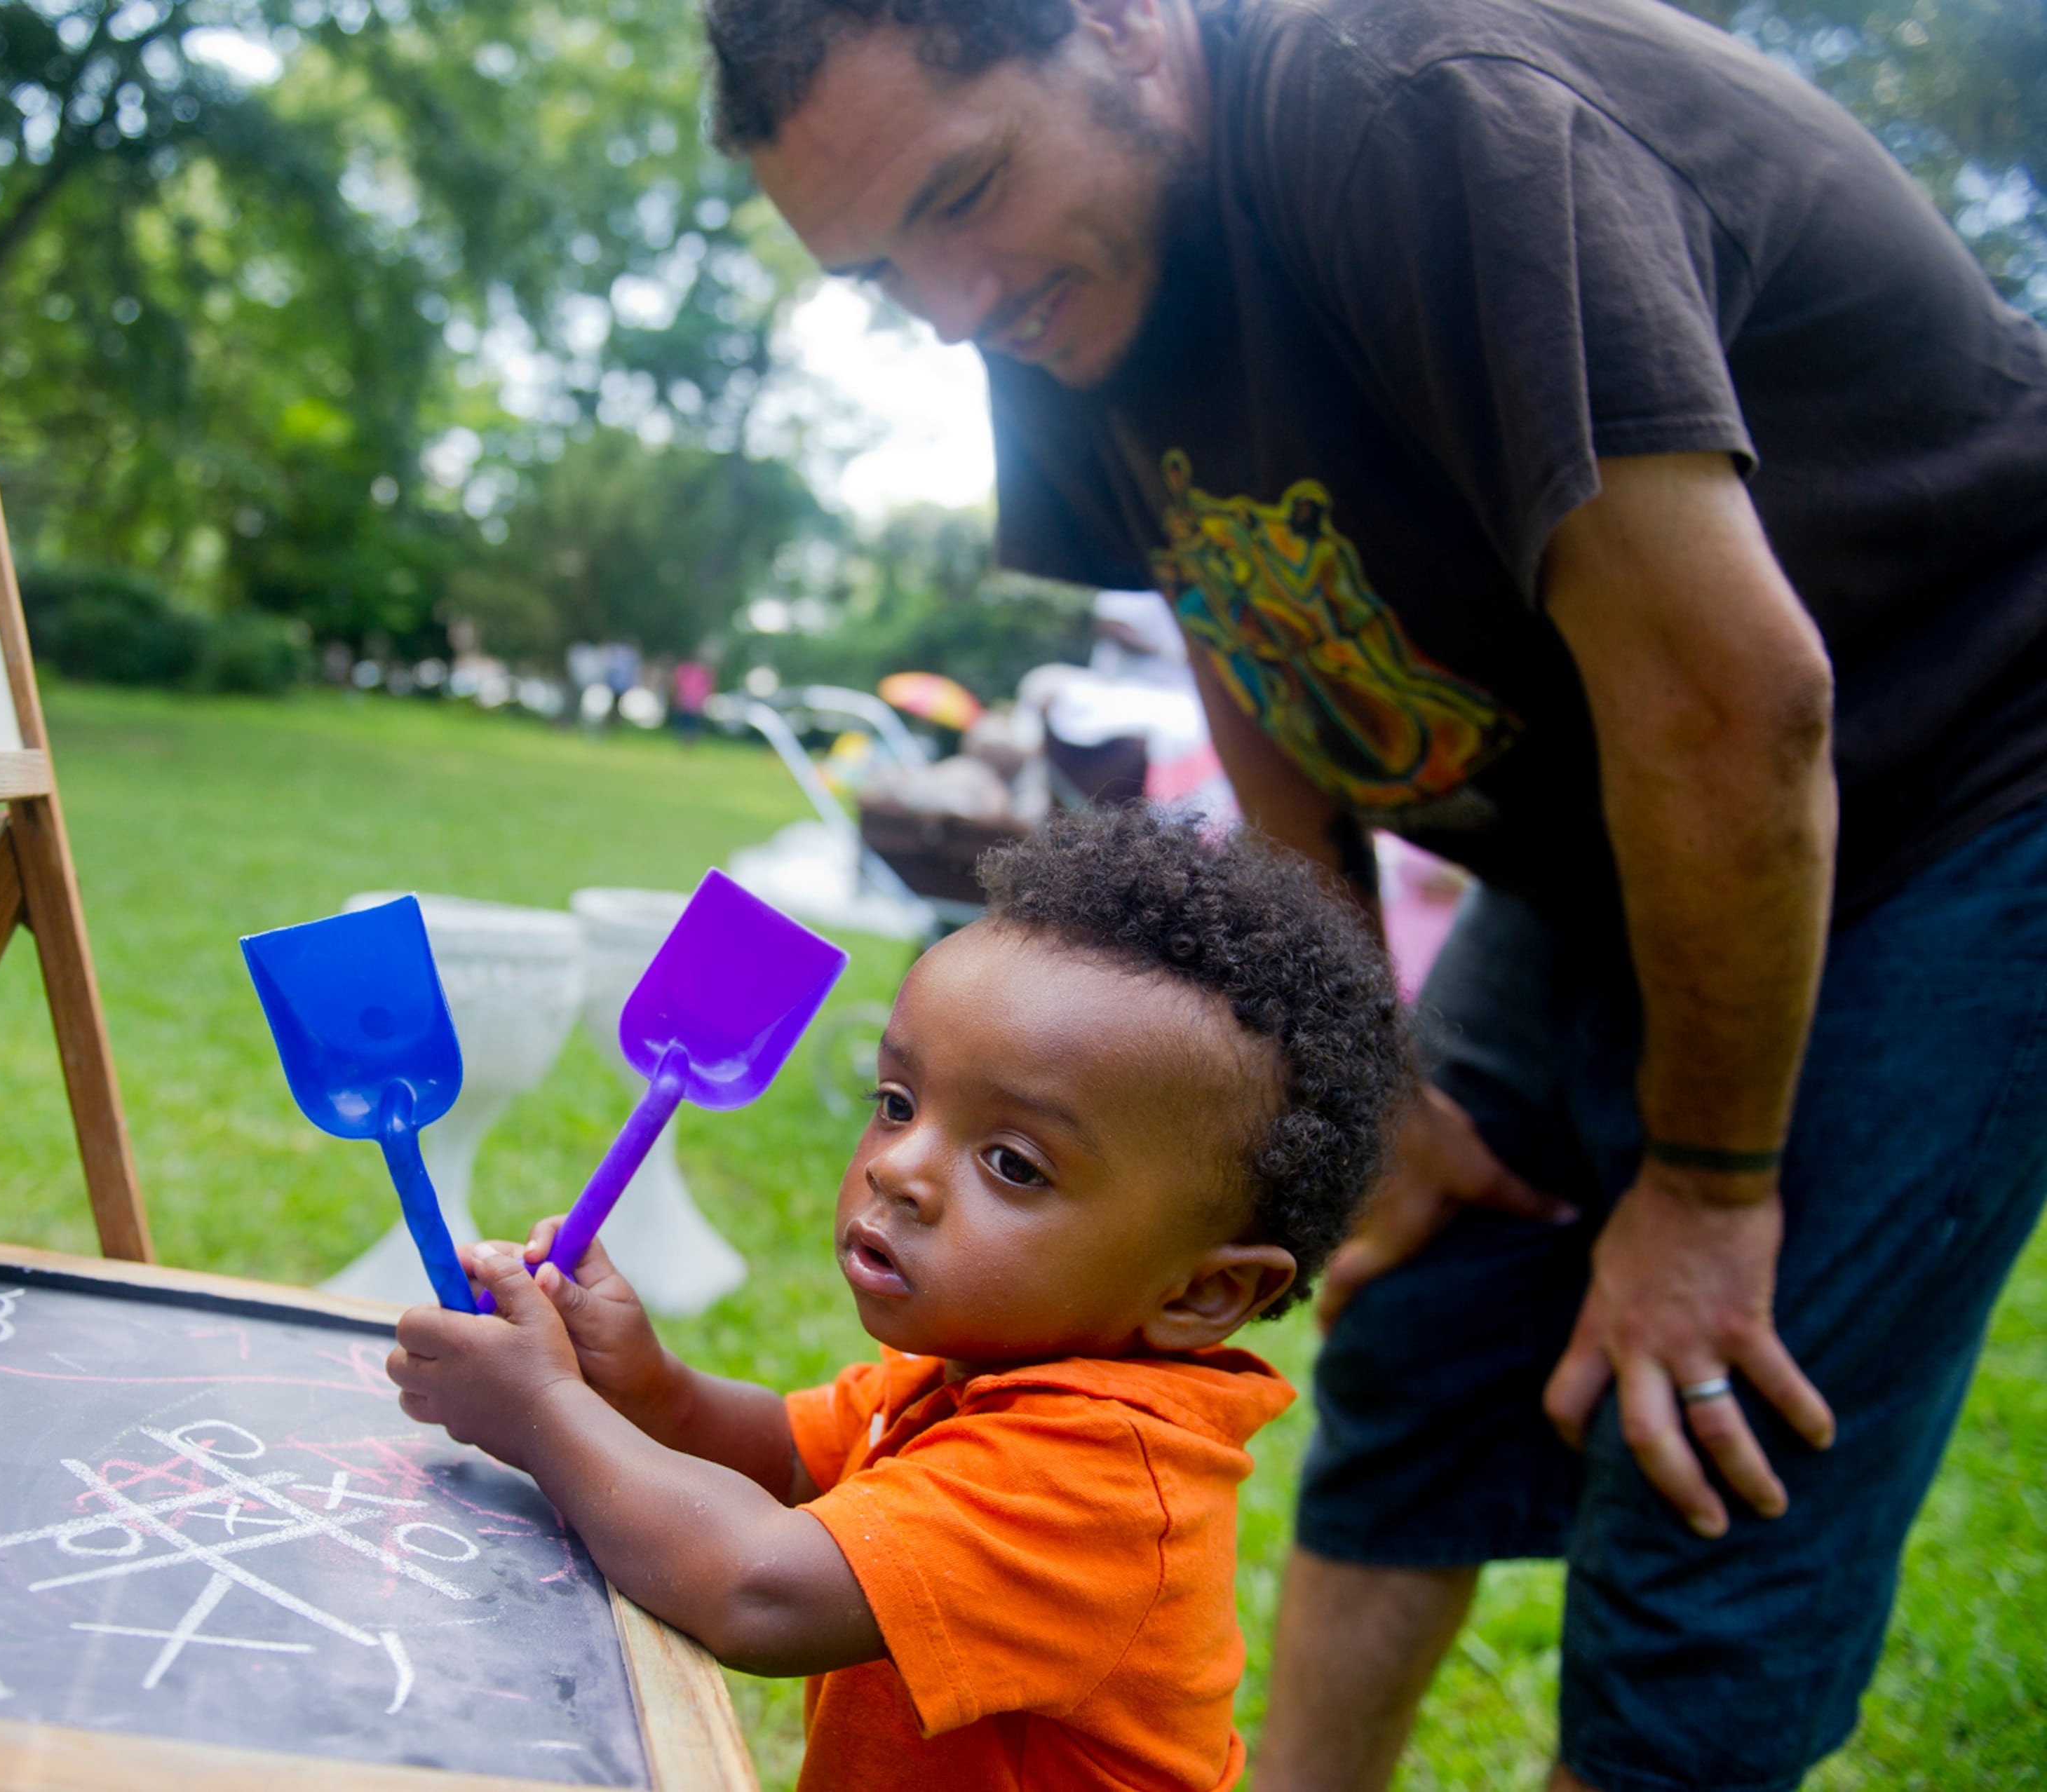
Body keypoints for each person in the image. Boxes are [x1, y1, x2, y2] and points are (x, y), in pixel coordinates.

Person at [699, 0, 2047, 1786]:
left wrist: (1711, 1189)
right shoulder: (1060, 273)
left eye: (966, 191)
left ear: (1118, 25)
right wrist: (1367, 1077)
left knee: (1699, 1436)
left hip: (1963, 783)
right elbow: (1244, 645)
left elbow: (1735, 698)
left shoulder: (1422, 116)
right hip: (1612, 823)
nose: (951, 303)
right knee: (1412, 1311)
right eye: (882, 272)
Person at [389, 809, 1412, 1791]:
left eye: (1012, 1163)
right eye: (898, 1105)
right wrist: (642, 1381)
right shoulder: (986, 1366)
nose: (901, 1170)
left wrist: (540, 1412)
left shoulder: (1101, 1487)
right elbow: (787, 1460)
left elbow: (758, 1588)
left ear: (1206, 1291)